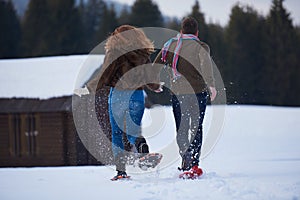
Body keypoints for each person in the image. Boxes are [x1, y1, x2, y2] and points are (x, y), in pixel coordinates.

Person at [76, 25, 162, 180]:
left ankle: (121, 172)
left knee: (117, 133)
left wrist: (88, 89)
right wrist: (155, 86)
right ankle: (143, 150)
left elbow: (104, 75)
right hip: (137, 96)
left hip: (118, 96)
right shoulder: (143, 53)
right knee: (132, 130)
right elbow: (149, 75)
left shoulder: (114, 52)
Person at [153, 17, 217, 177]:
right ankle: (194, 164)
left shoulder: (171, 45)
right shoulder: (201, 46)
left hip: (178, 93)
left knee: (182, 129)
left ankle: (185, 159)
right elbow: (206, 64)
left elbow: (156, 64)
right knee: (196, 128)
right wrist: (211, 84)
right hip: (198, 93)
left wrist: (154, 83)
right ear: (197, 32)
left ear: (181, 31)